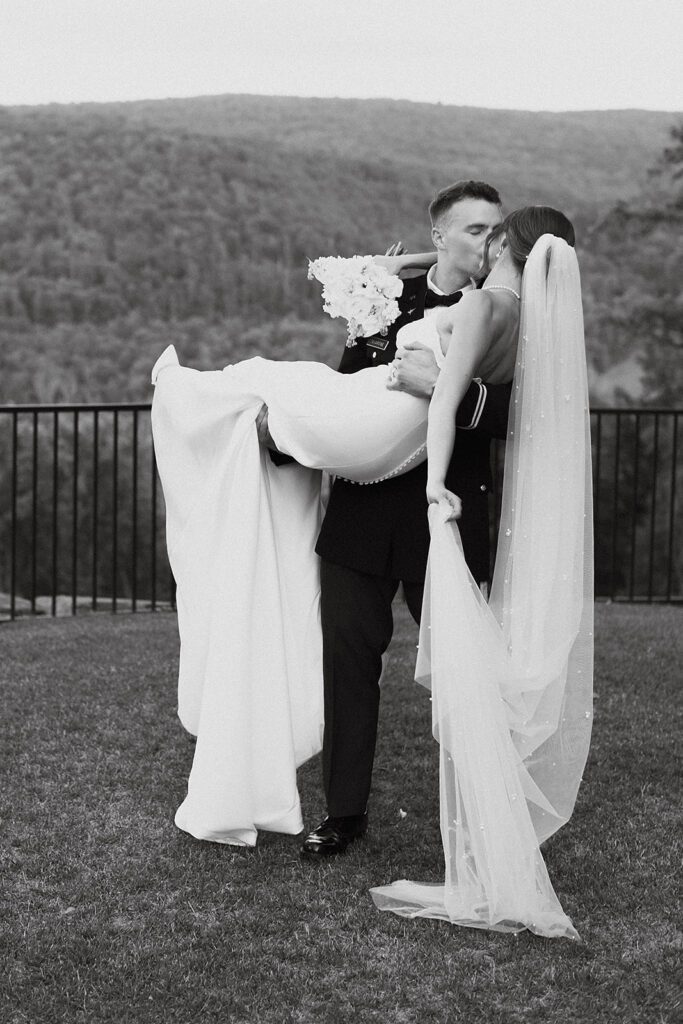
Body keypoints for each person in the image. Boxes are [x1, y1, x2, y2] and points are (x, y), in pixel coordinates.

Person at [369, 208, 593, 939]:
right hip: (500, 506)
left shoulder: (475, 305)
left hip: (417, 467)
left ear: (500, 245)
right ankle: (486, 858)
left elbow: (444, 397)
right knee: (483, 689)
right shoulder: (532, 318)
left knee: (468, 687)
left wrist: (435, 482)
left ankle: (482, 868)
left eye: (492, 232)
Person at [300, 180, 512, 858]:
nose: (489, 242)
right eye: (475, 230)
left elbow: (520, 413)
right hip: (361, 513)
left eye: (495, 231)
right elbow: (349, 391)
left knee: (462, 672)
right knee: (346, 663)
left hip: (447, 511)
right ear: (440, 236)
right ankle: (343, 812)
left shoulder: (505, 312)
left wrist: (446, 392)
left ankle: (483, 813)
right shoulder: (387, 297)